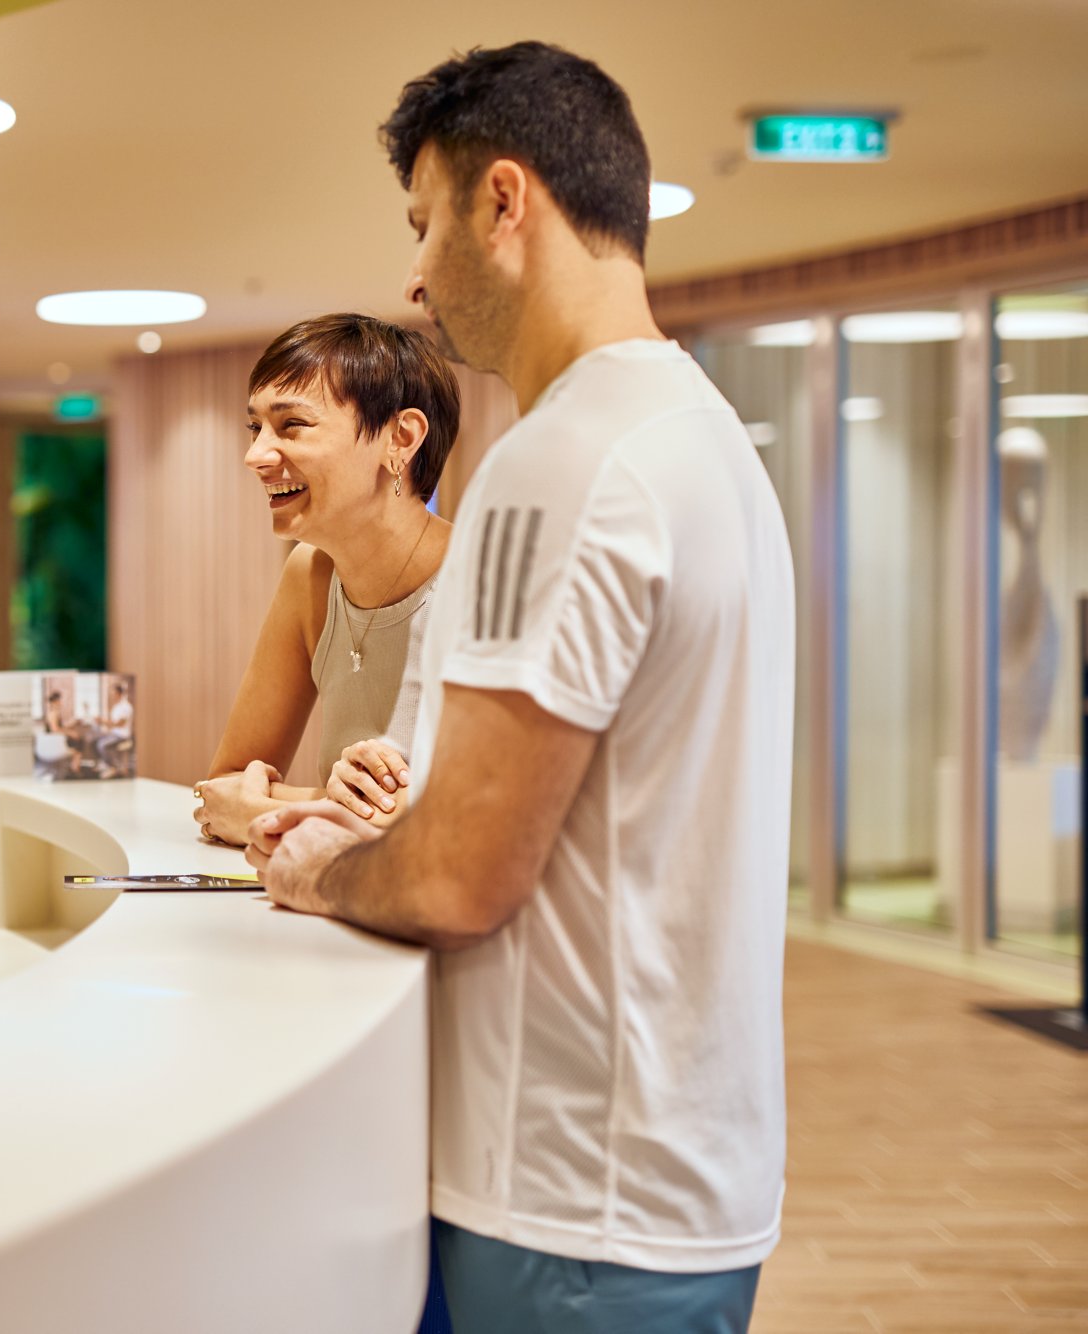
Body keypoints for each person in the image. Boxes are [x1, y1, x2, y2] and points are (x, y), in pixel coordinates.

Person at [247, 44, 793, 1334]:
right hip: (672, 1178)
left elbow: (456, 879)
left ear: (504, 201)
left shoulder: (562, 462)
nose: (414, 276)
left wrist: (315, 860)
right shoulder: (701, 438)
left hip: (571, 1203)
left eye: (423, 223)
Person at [192, 314, 459, 847]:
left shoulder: (484, 580)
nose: (256, 456)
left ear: (400, 438)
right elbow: (222, 790)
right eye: (256, 428)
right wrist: (333, 806)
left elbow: (461, 818)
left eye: (292, 425)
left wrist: (279, 808)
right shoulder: (310, 576)